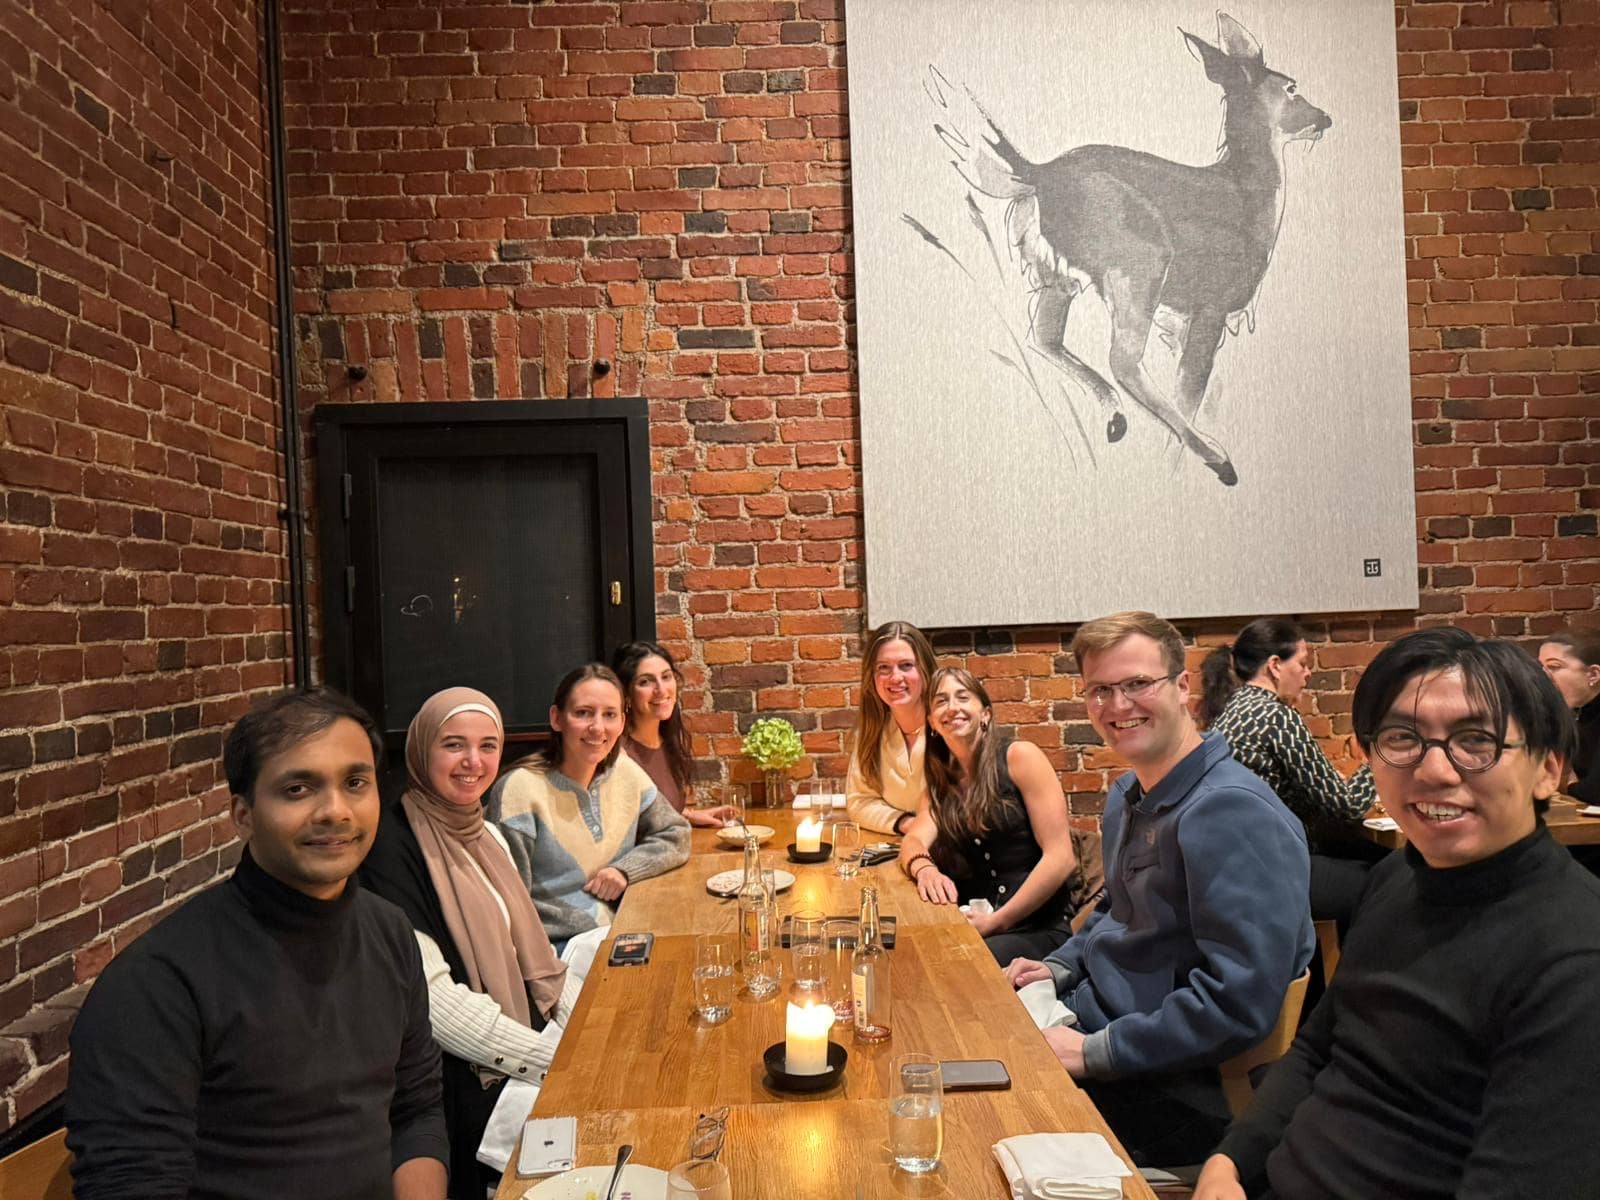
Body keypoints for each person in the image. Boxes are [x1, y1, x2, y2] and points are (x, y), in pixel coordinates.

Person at [1195, 628, 1600, 1200]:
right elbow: (1318, 1049)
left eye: (1476, 741)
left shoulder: (1575, 964)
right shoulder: (1396, 879)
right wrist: (1229, 1162)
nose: (1435, 771)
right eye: (1402, 738)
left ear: (1548, 769)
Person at [65, 688, 448, 1200]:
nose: (335, 811)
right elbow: (133, 1183)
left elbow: (416, 1110)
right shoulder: (156, 983)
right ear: (242, 815)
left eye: (355, 782)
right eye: (297, 789)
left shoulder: (389, 931)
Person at [1004, 611, 1313, 1165]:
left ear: (1182, 687)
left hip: (1175, 1089)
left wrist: (1094, 1052)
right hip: (1093, 1024)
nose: (1118, 706)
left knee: (973, 1125)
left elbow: (1239, 1002)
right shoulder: (1129, 792)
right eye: (1101, 690)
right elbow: (1113, 909)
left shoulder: (1229, 810)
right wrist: (1057, 966)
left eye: (1137, 684)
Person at [360, 687, 583, 1197]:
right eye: (453, 745)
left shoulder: (488, 836)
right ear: (420, 751)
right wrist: (563, 1063)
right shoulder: (390, 851)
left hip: (520, 1051)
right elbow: (437, 1006)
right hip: (454, 1086)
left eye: (488, 746)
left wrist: (582, 1037)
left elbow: (538, 962)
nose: (473, 762)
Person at [488, 664, 690, 947]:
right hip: (559, 950)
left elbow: (676, 833)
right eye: (583, 713)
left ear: (622, 722)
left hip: (619, 933)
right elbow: (508, 906)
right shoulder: (518, 790)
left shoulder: (623, 771)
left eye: (609, 715)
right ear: (557, 718)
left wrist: (625, 870)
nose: (597, 727)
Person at [1199, 617, 1380, 928]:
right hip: (1271, 872)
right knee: (1386, 882)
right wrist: (1379, 760)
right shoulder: (1276, 716)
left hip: (1233, 868)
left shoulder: (1231, 712)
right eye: (1303, 663)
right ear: (1274, 665)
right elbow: (1347, 806)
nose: (1308, 674)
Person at [898, 667, 1079, 963]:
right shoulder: (939, 787)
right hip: (976, 925)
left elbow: (1061, 858)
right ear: (931, 722)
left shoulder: (1021, 757)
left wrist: (999, 921)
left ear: (986, 714)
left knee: (953, 965)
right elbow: (914, 839)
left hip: (1037, 927)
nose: (952, 707)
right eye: (941, 701)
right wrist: (924, 868)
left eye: (962, 697)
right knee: (911, 954)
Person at [612, 640, 738, 827]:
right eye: (645, 681)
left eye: (666, 677)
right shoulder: (620, 755)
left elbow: (656, 811)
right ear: (626, 694)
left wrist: (689, 814)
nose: (661, 690)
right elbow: (635, 827)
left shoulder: (668, 740)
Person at [846, 620, 937, 834]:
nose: (895, 677)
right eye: (883, 668)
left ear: (925, 669)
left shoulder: (949, 728)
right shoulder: (872, 733)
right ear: (872, 677)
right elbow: (860, 802)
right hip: (902, 847)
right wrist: (906, 824)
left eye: (906, 665)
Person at [1538, 627, 1600, 803]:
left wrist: (1568, 785)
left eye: (1554, 667)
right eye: (1541, 668)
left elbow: (1593, 792)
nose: (1544, 677)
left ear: (1594, 674)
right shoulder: (1572, 712)